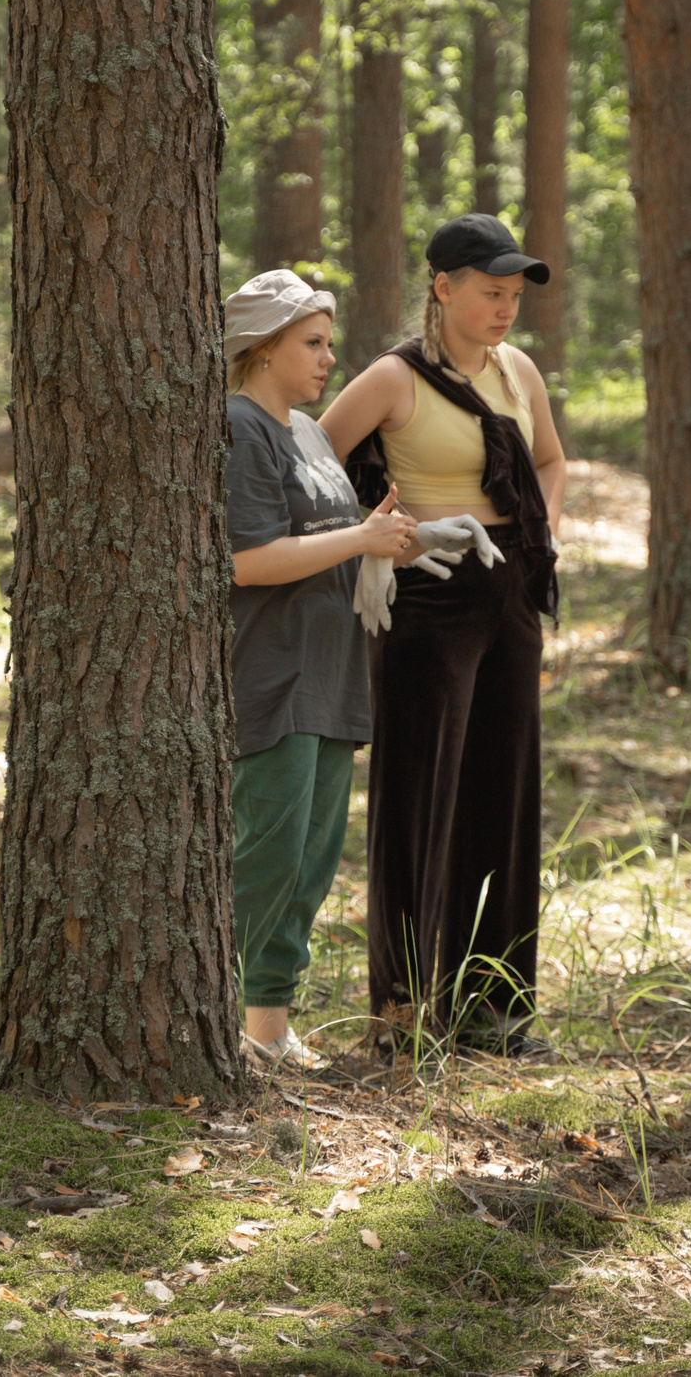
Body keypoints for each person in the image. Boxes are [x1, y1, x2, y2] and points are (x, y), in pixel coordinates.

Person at [320, 215, 567, 1059]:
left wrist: (549, 535)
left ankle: (496, 1007)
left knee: (504, 791)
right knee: (421, 792)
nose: (505, 309)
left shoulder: (517, 371)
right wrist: (386, 536)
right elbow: (316, 465)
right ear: (443, 288)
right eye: (491, 292)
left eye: (513, 296)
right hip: (428, 597)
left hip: (509, 591)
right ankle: (404, 1003)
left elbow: (548, 463)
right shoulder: (396, 378)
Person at [221, 271, 436, 1069]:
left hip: (334, 672)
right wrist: (358, 543)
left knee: (309, 861)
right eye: (310, 342)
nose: (326, 356)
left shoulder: (309, 432)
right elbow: (247, 560)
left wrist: (385, 541)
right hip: (270, 674)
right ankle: (217, 1019)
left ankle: (269, 1031)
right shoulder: (240, 427)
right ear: (264, 346)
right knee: (266, 852)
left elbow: (335, 535)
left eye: (326, 340)